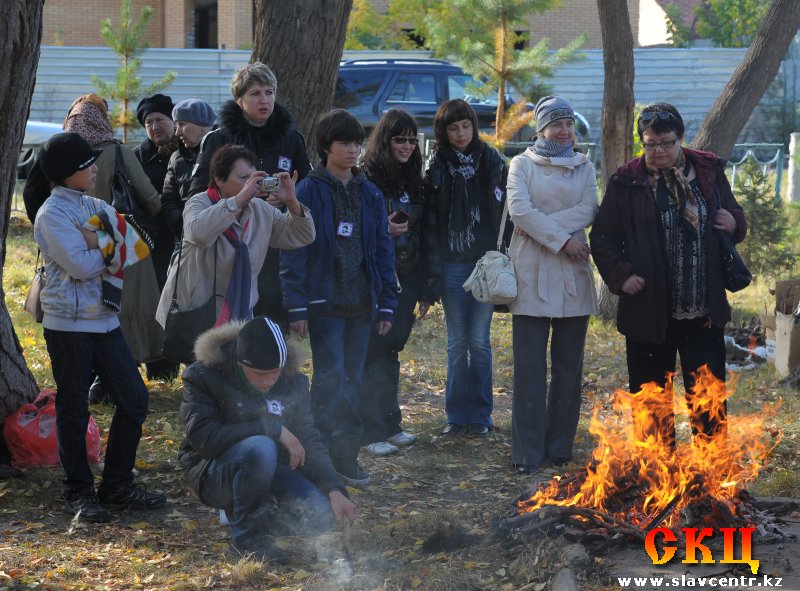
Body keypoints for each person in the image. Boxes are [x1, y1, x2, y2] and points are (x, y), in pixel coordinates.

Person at [590, 103, 747, 448]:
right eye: (650, 144)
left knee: (708, 402)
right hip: (648, 310)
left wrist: (734, 222)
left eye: (666, 143)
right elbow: (601, 237)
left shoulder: (706, 170)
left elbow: (732, 211)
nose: (658, 151)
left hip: (703, 311)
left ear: (680, 140)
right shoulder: (627, 181)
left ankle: (711, 475)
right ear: (642, 142)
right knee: (651, 403)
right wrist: (621, 275)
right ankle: (656, 475)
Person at [34, 132, 166, 523]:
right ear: (65, 173)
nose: (94, 168)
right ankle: (78, 493)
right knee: (73, 408)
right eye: (84, 165)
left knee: (134, 399)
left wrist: (99, 240)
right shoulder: (51, 214)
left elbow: (137, 247)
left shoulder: (94, 204)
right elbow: (83, 266)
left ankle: (117, 484)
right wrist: (109, 243)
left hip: (105, 320)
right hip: (68, 324)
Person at [280, 109, 398, 487]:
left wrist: (386, 304)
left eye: (356, 143)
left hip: (363, 306)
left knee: (354, 380)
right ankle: (323, 457)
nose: (352, 150)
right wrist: (296, 305)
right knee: (330, 379)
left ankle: (347, 456)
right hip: (324, 307)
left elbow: (383, 250)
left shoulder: (370, 193)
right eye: (344, 143)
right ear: (326, 147)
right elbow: (294, 251)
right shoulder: (309, 190)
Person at [179, 316, 356, 563]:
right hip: (215, 471)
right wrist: (271, 429)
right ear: (241, 363)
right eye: (260, 374)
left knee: (322, 514)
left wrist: (334, 488)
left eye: (275, 372)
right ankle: (247, 544)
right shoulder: (204, 375)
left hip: (275, 468)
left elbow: (309, 437)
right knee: (260, 447)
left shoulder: (292, 381)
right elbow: (204, 439)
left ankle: (259, 512)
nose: (269, 381)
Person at [24, 94, 165, 397]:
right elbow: (149, 203)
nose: (94, 168)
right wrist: (114, 241)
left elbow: (31, 194)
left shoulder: (57, 156)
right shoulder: (116, 152)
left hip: (71, 277)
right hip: (101, 275)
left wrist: (72, 237)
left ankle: (104, 379)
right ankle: (114, 378)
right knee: (124, 314)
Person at [506, 96, 598, 474]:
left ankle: (559, 446)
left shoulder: (584, 166)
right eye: (556, 124)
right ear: (540, 128)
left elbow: (589, 209)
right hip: (532, 272)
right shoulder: (521, 164)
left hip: (572, 276)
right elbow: (519, 210)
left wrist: (543, 226)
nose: (563, 131)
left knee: (567, 367)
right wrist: (563, 239)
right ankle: (526, 451)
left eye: (568, 124)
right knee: (528, 366)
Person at [189, 62, 312, 327]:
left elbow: (308, 187)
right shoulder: (217, 139)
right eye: (255, 93)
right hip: (228, 241)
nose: (264, 100)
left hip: (276, 237)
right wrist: (239, 199)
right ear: (239, 99)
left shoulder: (291, 138)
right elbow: (198, 191)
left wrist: (287, 198)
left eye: (269, 92)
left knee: (271, 319)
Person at [156, 144, 315, 332]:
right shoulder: (200, 202)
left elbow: (301, 236)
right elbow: (198, 233)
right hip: (197, 312)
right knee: (201, 361)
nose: (251, 184)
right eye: (243, 178)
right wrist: (237, 201)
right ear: (219, 179)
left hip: (240, 312)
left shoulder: (260, 209)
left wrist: (291, 202)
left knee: (237, 360)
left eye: (254, 178)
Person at [424, 99, 508, 439]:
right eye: (453, 128)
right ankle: (456, 415)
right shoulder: (436, 166)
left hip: (485, 263)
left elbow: (507, 213)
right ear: (443, 132)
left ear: (474, 127)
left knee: (480, 341)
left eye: (466, 126)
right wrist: (432, 271)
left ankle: (482, 415)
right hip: (452, 266)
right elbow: (429, 222)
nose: (461, 134)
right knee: (457, 342)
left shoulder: (493, 161)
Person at [358, 108, 438, 457]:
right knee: (371, 352)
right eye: (398, 139)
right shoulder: (365, 179)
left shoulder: (416, 183)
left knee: (391, 351)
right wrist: (382, 229)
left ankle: (391, 424)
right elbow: (353, 231)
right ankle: (367, 429)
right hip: (373, 278)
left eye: (410, 140)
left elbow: (422, 234)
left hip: (407, 276)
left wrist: (425, 286)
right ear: (384, 140)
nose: (406, 146)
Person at [134, 93, 182, 381]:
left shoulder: (187, 152)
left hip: (180, 238)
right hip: (149, 243)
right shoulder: (138, 158)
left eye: (160, 120)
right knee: (151, 303)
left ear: (173, 121)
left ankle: (170, 364)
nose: (154, 127)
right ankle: (152, 361)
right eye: (149, 122)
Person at [161, 98, 216, 241]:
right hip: (187, 239)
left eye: (181, 124)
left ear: (202, 126)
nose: (177, 133)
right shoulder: (176, 159)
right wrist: (183, 224)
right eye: (176, 125)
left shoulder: (228, 153)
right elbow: (168, 200)